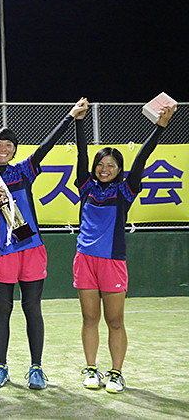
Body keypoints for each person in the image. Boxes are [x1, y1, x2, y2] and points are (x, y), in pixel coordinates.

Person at [0, 98, 88, 390]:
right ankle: (1, 367)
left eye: (9, 145)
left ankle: (36, 368)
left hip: (31, 249)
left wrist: (70, 117)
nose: (4, 149)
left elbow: (46, 147)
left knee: (33, 308)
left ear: (14, 150)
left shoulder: (24, 170)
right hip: (1, 253)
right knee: (3, 310)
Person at [74, 100, 176, 394]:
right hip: (84, 260)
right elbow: (82, 153)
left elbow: (142, 157)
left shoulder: (126, 190)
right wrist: (80, 121)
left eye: (111, 165)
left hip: (113, 261)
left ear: (119, 169)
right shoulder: (86, 186)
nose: (105, 169)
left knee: (115, 320)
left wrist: (159, 127)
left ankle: (116, 373)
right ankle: (91, 369)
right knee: (89, 319)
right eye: (101, 165)